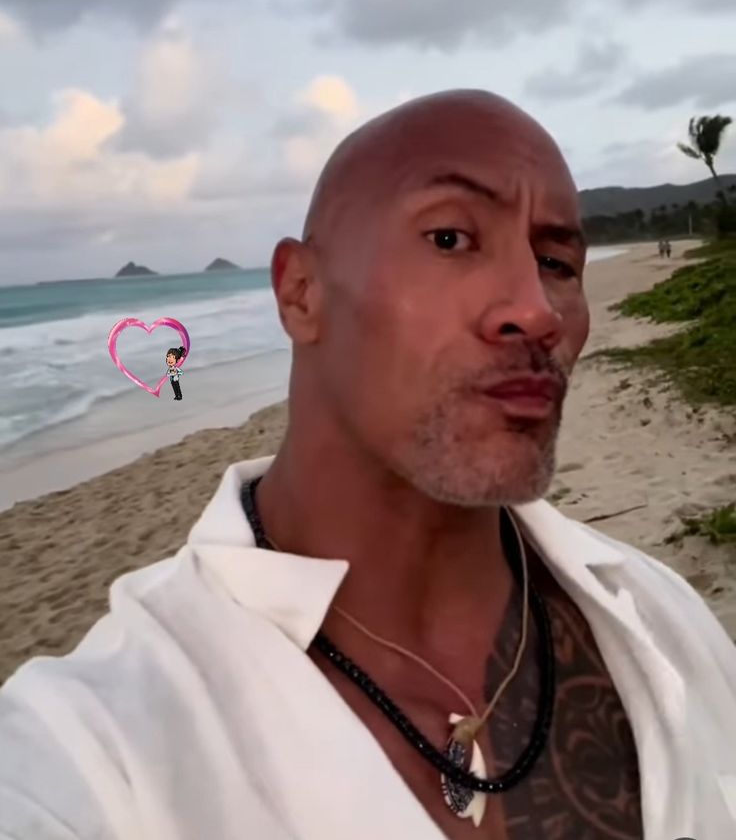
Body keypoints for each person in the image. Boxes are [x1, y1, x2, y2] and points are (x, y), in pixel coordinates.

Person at [1, 89, 734, 839]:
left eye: (556, 262)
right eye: (451, 239)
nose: (537, 310)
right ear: (300, 292)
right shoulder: (95, 746)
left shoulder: (658, 616)